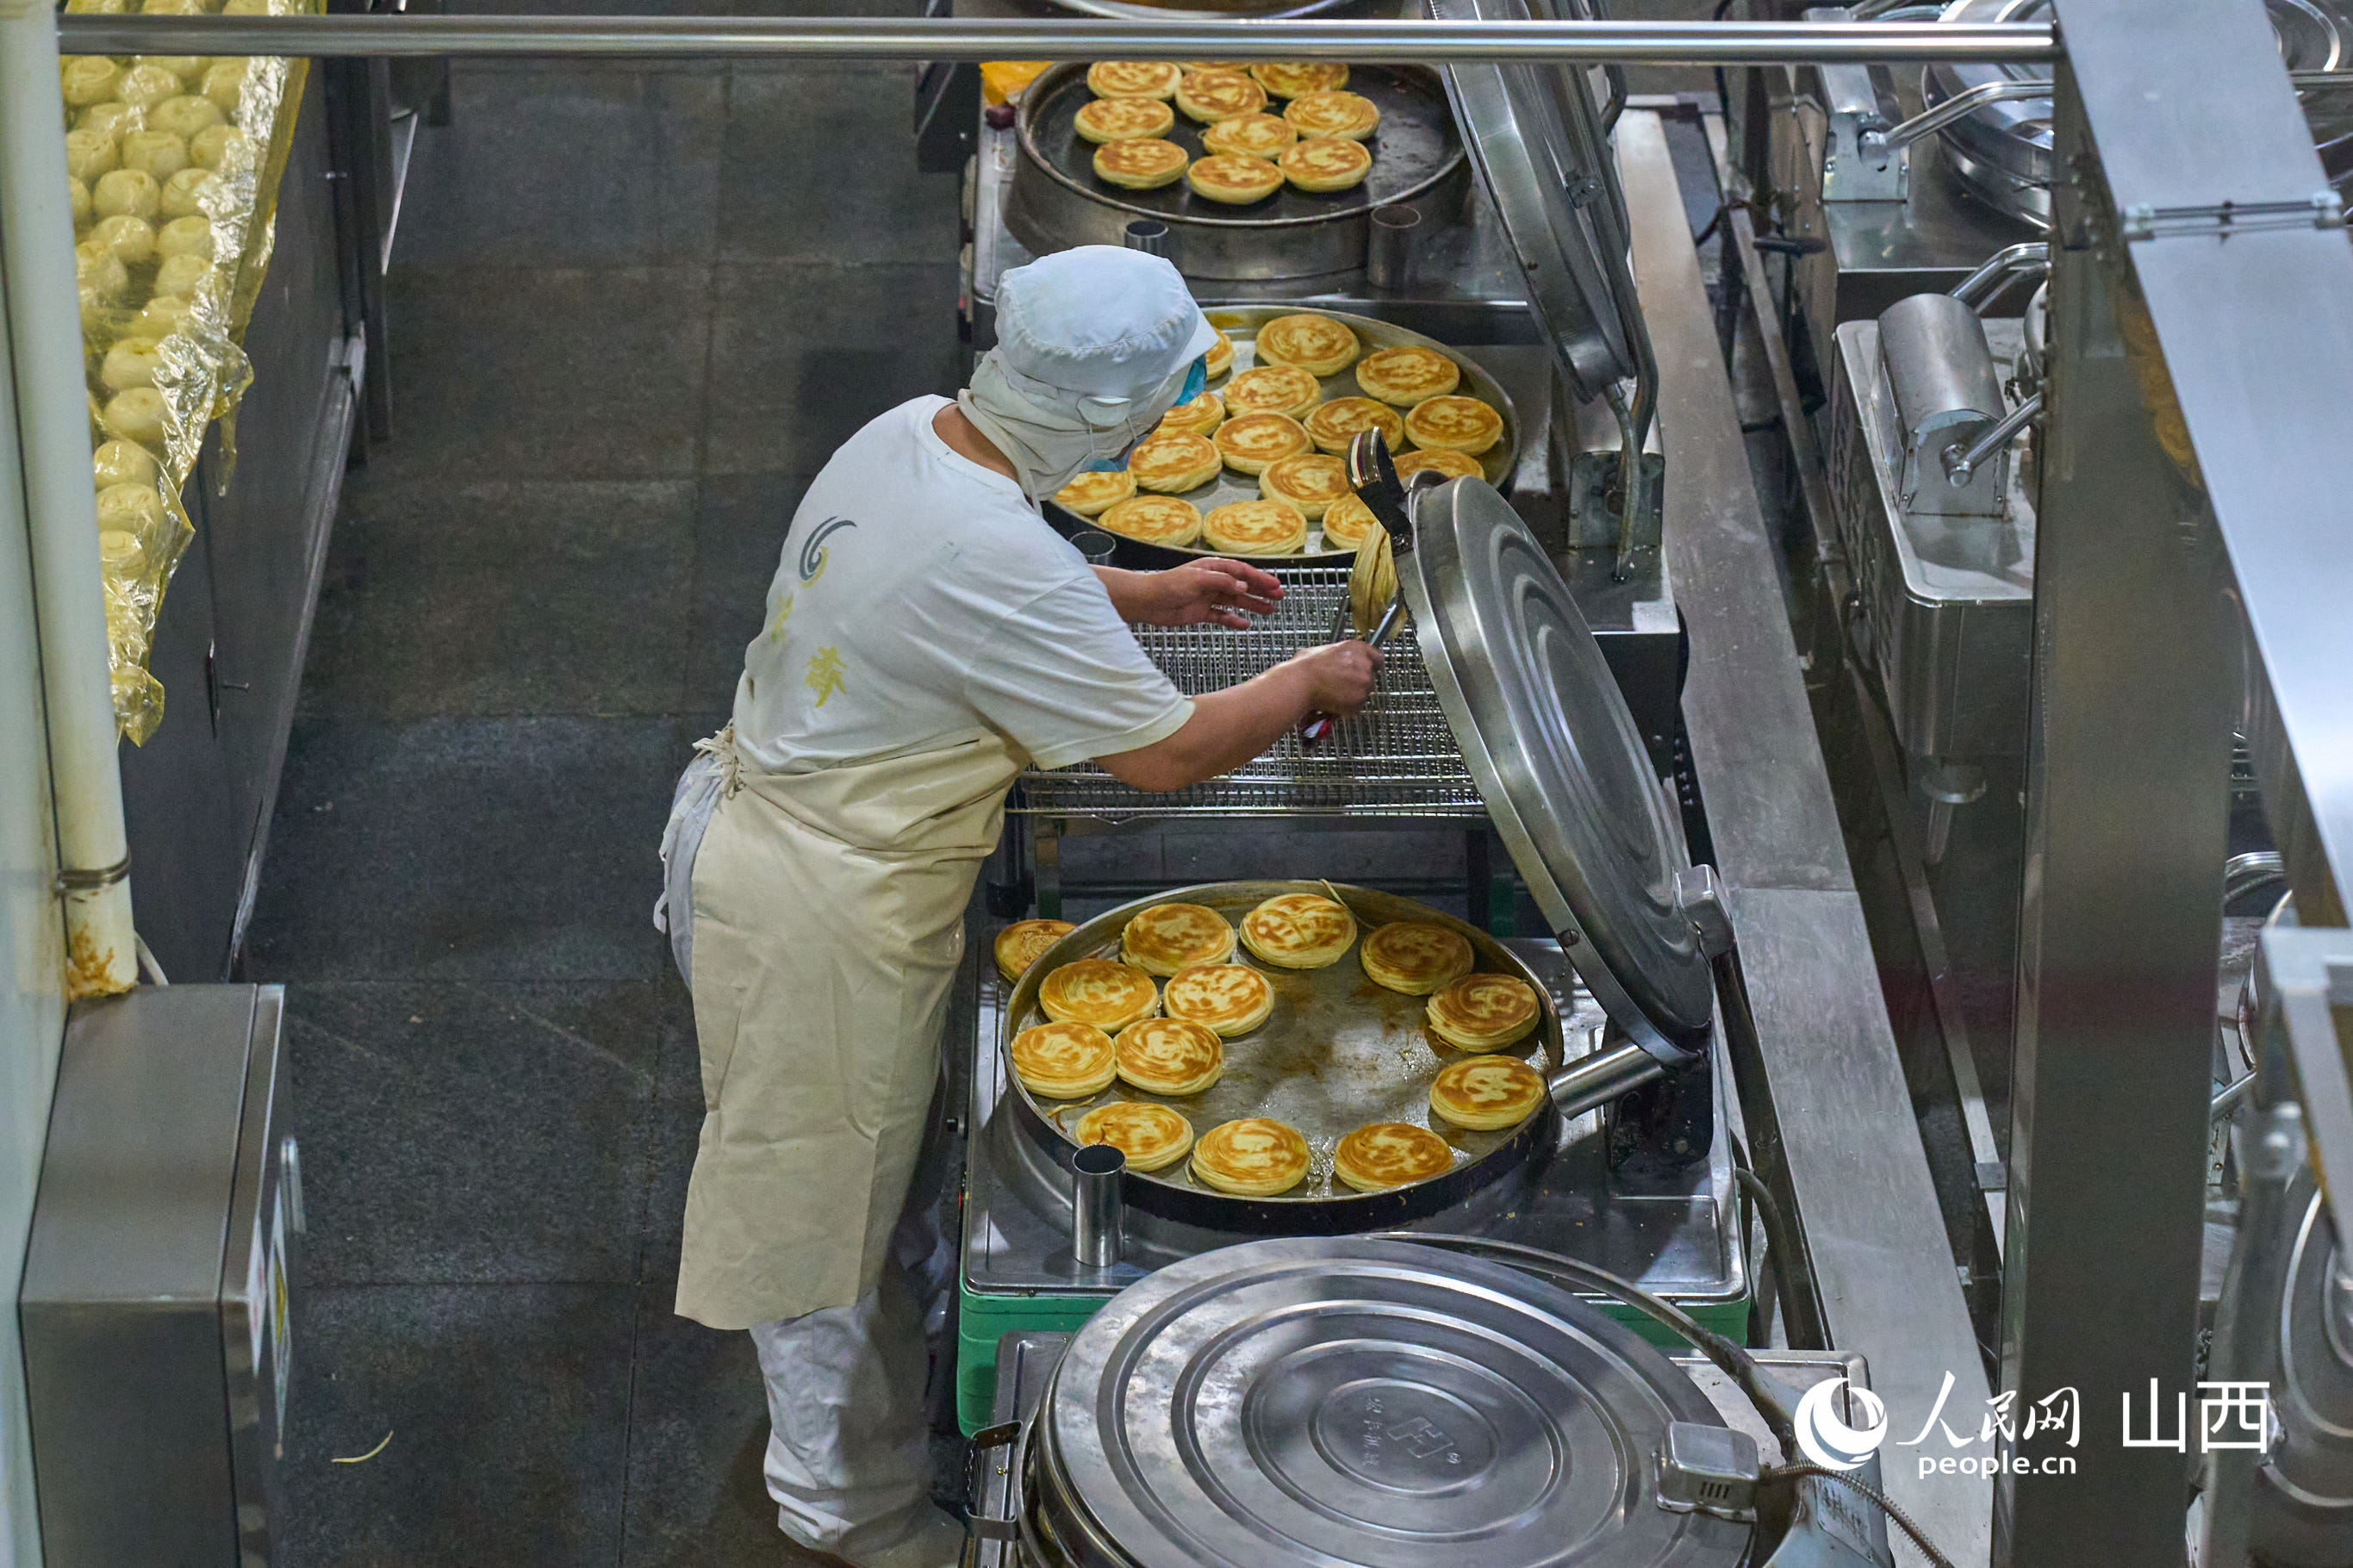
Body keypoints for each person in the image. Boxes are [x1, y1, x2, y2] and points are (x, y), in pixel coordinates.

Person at [653, 245, 1380, 1567]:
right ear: (1106, 415)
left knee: (878, 1179)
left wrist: (1148, 592)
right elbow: (1166, 752)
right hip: (810, 904)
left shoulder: (912, 434)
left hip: (794, 844)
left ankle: (912, 1361)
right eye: (1156, 402)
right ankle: (848, 1519)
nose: (1165, 423)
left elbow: (975, 583)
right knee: (817, 1237)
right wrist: (1311, 680)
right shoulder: (993, 546)